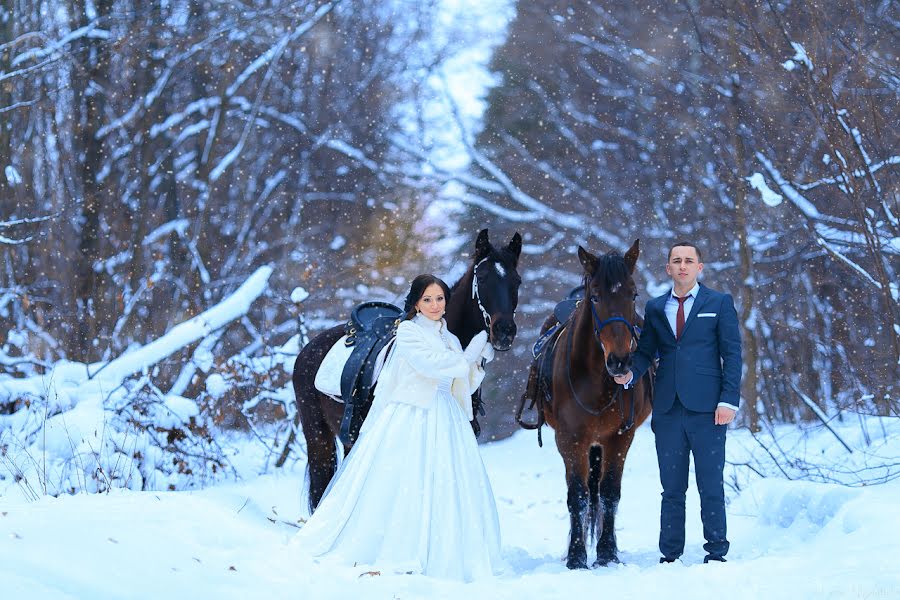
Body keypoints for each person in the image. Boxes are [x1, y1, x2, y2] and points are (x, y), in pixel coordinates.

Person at [292, 274, 502, 581]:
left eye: (440, 299)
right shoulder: (408, 332)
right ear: (416, 303)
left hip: (447, 416)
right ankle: (394, 543)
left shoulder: (451, 338)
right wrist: (471, 354)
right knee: (403, 481)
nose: (434, 305)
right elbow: (433, 366)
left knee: (449, 484)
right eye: (427, 299)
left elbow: (462, 382)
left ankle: (446, 549)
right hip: (413, 413)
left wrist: (478, 363)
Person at [614, 242, 741, 564]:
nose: (682, 266)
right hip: (668, 410)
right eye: (676, 261)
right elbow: (646, 353)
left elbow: (732, 355)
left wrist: (729, 401)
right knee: (671, 489)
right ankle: (670, 554)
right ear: (668, 269)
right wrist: (629, 375)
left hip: (709, 410)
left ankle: (716, 552)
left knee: (710, 486)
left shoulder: (719, 303)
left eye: (689, 260)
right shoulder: (656, 308)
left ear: (699, 268)